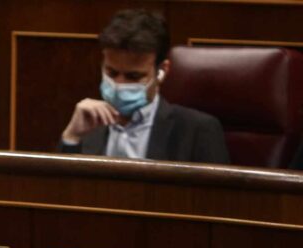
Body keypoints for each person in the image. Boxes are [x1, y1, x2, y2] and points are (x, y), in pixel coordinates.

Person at [58, 9, 230, 164]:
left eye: (133, 76)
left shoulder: (197, 130)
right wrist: (71, 137)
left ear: (162, 71)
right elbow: (60, 193)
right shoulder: (87, 124)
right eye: (112, 73)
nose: (119, 84)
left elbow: (216, 198)